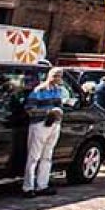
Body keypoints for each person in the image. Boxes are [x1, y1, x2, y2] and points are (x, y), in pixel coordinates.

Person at [24, 67, 73, 197]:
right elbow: (29, 109)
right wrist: (48, 112)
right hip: (40, 124)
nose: (58, 78)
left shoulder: (58, 91)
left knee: (47, 156)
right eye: (55, 75)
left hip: (54, 124)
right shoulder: (39, 91)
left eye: (60, 76)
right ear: (49, 76)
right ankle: (28, 187)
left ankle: (42, 185)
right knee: (34, 157)